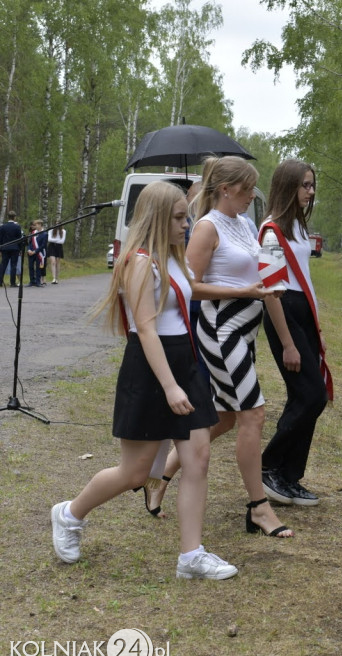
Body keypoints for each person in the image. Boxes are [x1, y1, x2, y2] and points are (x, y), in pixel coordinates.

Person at [49, 181, 237, 579]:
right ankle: (69, 514)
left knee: (197, 458)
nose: (187, 225)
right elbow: (147, 330)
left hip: (184, 361)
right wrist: (170, 386)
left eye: (188, 216)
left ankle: (191, 556)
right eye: (180, 217)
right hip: (152, 368)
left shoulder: (175, 258)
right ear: (155, 218)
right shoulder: (139, 262)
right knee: (135, 473)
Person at [149, 156, 293, 538]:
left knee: (225, 418)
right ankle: (259, 508)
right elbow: (188, 285)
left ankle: (161, 475)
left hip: (246, 330)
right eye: (247, 189)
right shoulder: (207, 228)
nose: (251, 196)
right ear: (226, 189)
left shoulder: (245, 223)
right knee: (254, 414)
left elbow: (261, 273)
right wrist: (243, 291)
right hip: (220, 329)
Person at [258, 159, 332, 506]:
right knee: (311, 395)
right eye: (305, 185)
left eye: (312, 185)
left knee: (306, 397)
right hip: (283, 313)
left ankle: (288, 476)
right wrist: (288, 343)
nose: (311, 191)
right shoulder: (271, 231)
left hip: (301, 314)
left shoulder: (298, 228)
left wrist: (314, 329)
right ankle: (270, 466)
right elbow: (271, 289)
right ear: (288, 186)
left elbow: (306, 280)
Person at [1, 210, 22, 287]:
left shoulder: (3, 227)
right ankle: (12, 283)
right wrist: (20, 249)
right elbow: (19, 239)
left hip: (5, 248)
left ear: (8, 217)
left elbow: (0, 238)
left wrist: (1, 248)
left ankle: (0, 281)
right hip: (14, 248)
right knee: (13, 265)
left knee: (3, 265)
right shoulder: (17, 227)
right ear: (14, 217)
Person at [26, 220, 47, 287]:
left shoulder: (45, 234)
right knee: (31, 267)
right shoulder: (33, 233)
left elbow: (43, 245)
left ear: (40, 225)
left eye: (36, 225)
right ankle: (32, 281)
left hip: (38, 252)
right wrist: (29, 249)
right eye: (34, 225)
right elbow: (29, 243)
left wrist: (35, 251)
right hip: (31, 252)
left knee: (38, 267)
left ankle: (38, 282)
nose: (35, 226)